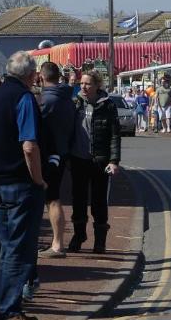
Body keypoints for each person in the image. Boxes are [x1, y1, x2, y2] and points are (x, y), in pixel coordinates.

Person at [0, 51, 46, 320]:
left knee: (7, 248)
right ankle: (9, 309)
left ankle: (7, 306)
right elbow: (29, 145)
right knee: (18, 250)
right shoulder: (24, 99)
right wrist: (39, 180)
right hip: (21, 183)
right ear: (31, 75)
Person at [67, 70, 121, 254]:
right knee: (78, 200)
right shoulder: (75, 103)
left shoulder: (108, 106)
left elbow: (114, 135)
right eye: (81, 83)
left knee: (99, 202)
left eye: (88, 84)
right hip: (78, 158)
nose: (83, 87)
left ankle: (100, 241)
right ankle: (79, 235)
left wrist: (114, 161)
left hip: (100, 161)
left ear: (97, 86)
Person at [38, 62, 74, 257]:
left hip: (49, 154)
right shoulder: (67, 96)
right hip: (63, 151)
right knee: (53, 198)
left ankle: (58, 245)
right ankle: (57, 242)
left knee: (51, 199)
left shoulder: (46, 100)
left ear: (41, 77)